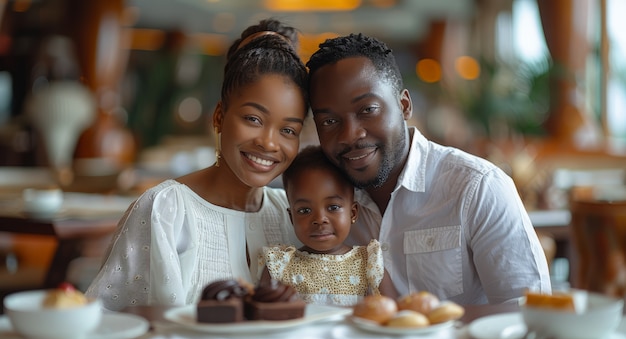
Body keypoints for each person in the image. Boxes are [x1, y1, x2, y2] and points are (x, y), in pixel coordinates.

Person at [305, 33, 551, 305]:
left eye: (368, 109)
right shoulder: (316, 203)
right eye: (329, 121)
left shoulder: (478, 187)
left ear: (404, 106)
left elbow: (528, 313)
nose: (350, 135)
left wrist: (421, 325)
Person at [85, 20, 309, 311]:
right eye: (253, 119)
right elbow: (111, 319)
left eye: (288, 130)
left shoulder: (294, 215)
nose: (269, 143)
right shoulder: (166, 209)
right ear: (219, 116)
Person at [259, 146, 397, 306]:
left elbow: (392, 315)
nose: (319, 219)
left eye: (333, 207)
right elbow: (263, 317)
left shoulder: (368, 264)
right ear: (292, 217)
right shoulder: (280, 266)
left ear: (353, 213)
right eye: (304, 210)